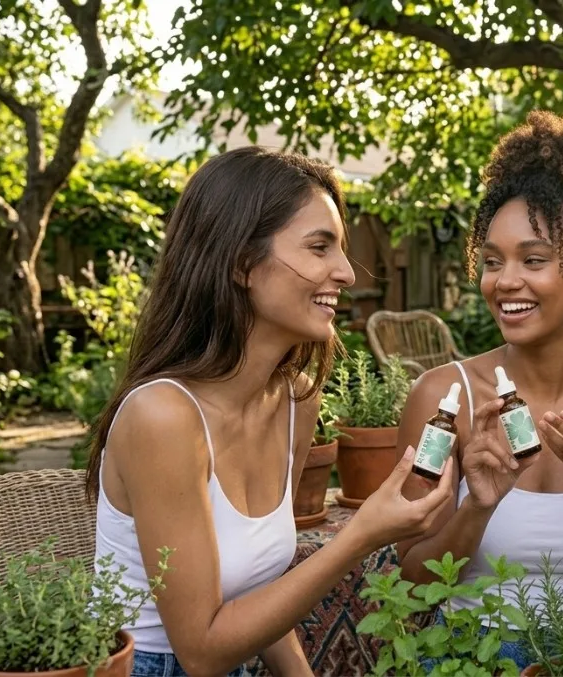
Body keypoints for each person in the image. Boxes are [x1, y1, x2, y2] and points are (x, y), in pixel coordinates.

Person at [87, 147, 454, 677]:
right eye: (318, 247)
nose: (347, 272)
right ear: (241, 263)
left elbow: (261, 593)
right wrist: (358, 536)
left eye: (340, 249)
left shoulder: (295, 401)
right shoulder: (163, 417)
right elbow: (202, 652)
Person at [394, 105, 563, 669]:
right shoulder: (445, 399)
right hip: (465, 658)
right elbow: (413, 579)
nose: (506, 281)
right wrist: (478, 508)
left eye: (534, 259)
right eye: (492, 261)